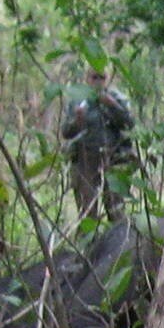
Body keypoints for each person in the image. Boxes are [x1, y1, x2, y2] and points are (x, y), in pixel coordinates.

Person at [62, 70, 135, 222]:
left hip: (113, 160)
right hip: (86, 162)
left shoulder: (117, 98)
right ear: (87, 79)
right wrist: (77, 120)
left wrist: (113, 105)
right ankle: (89, 244)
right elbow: (66, 132)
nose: (98, 81)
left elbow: (129, 124)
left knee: (116, 211)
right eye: (94, 77)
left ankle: (119, 244)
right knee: (87, 213)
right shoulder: (77, 101)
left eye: (102, 77)